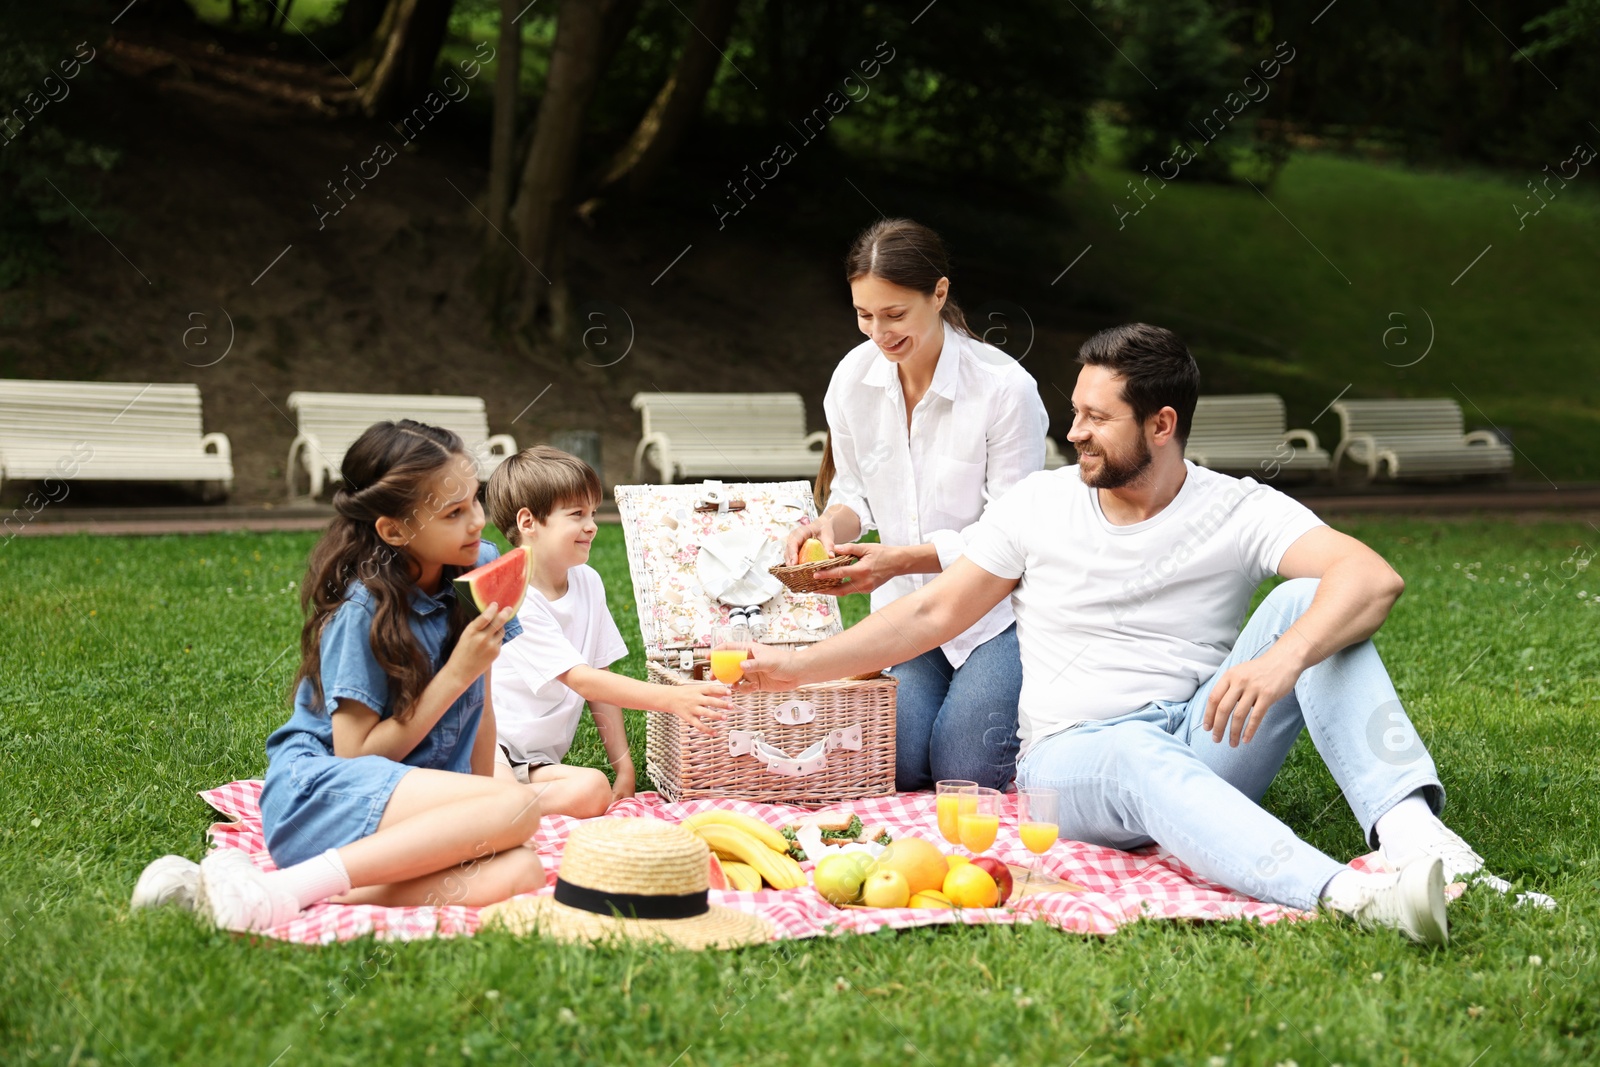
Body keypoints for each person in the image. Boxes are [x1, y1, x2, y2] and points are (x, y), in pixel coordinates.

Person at [748, 324, 1547, 944]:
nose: (1076, 431)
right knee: (1137, 751)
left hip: (1202, 736)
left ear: (1162, 423)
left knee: (1313, 598)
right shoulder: (1039, 504)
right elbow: (929, 614)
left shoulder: (1234, 506)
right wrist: (794, 669)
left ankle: (1414, 833)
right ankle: (1350, 893)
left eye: (1097, 417)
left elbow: (1372, 576)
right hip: (1073, 761)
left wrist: (1283, 658)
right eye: (1076, 412)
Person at [132, 421, 546, 931]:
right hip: (323, 798)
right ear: (393, 530)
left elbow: (480, 702)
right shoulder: (362, 609)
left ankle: (281, 893)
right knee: (517, 807)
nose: (477, 522)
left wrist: (477, 809)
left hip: (405, 815)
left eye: (476, 501)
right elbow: (357, 758)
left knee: (522, 868)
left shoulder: (477, 564)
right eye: (453, 513)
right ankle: (289, 882)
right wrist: (457, 674)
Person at [783, 217, 1048, 793]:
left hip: (996, 617)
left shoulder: (1005, 391)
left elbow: (1014, 536)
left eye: (895, 314)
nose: (879, 333)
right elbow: (854, 489)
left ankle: (1061, 728)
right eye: (864, 315)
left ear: (940, 293)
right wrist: (829, 525)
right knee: (893, 764)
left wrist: (899, 559)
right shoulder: (853, 379)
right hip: (907, 616)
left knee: (967, 773)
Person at [482, 446, 731, 817]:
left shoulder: (588, 582)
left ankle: (496, 810)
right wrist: (672, 699)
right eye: (576, 514)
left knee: (593, 789)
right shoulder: (514, 594)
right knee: (502, 802)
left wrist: (624, 770)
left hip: (534, 762)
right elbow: (583, 681)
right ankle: (485, 807)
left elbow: (601, 676)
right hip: (489, 746)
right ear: (528, 522)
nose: (592, 525)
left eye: (594, 513)